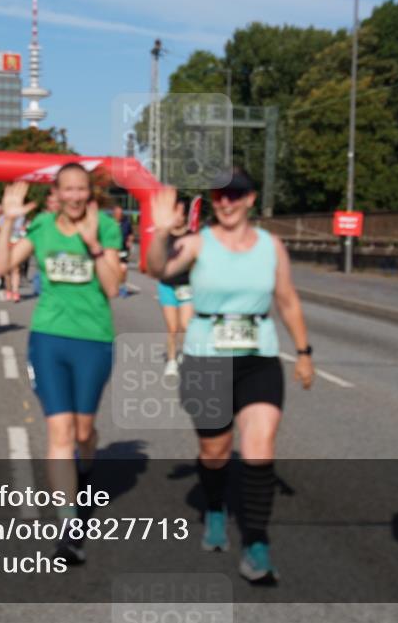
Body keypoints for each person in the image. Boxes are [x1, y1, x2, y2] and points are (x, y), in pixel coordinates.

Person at [147, 168, 314, 586]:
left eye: (234, 194)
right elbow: (155, 269)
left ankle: (256, 544)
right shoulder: (195, 243)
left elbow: (288, 300)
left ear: (250, 198)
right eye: (218, 195)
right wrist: (162, 233)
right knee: (215, 449)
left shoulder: (271, 246)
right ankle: (217, 507)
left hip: (258, 354)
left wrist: (304, 353)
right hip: (206, 356)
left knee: (259, 444)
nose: (225, 201)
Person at [0, 164, 122, 565]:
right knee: (59, 429)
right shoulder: (43, 227)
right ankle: (68, 527)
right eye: (68, 190)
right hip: (49, 337)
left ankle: (87, 465)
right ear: (58, 192)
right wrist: (8, 223)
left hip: (94, 339)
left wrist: (94, 246)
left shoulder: (104, 226)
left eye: (82, 189)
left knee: (83, 430)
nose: (75, 196)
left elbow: (114, 286)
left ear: (90, 193)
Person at [156, 197, 195, 380]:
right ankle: (172, 361)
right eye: (176, 213)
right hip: (167, 286)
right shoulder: (163, 235)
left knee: (185, 326)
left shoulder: (193, 237)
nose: (179, 217)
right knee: (172, 327)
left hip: (187, 286)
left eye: (182, 213)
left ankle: (184, 354)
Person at [112, 204, 134, 298]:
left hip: (123, 249)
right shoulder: (109, 223)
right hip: (112, 250)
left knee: (123, 269)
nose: (119, 215)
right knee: (114, 269)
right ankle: (114, 286)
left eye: (120, 213)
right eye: (117, 213)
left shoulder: (126, 223)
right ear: (114, 213)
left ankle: (122, 287)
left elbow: (130, 234)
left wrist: (130, 241)